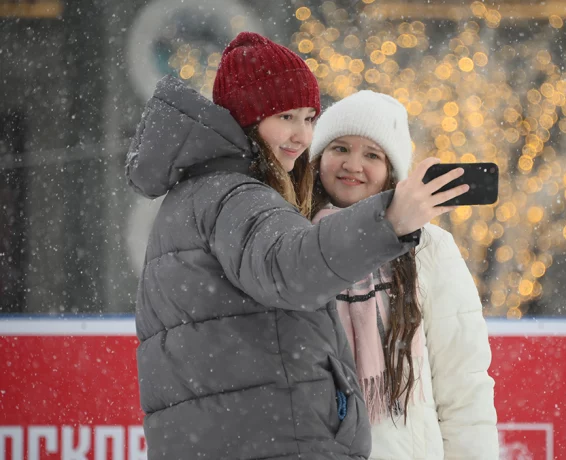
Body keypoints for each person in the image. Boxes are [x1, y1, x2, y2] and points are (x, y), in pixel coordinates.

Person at [125, 32, 468, 460]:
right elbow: (290, 267)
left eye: (309, 118)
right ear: (248, 118)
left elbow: (463, 387)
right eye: (285, 116)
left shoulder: (203, 192)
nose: (301, 135)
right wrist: (391, 219)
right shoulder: (236, 196)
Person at [309, 90, 499, 459]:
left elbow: (462, 383)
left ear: (391, 172)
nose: (353, 164)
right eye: (340, 148)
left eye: (372, 155)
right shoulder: (293, 243)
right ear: (318, 158)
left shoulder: (428, 248)